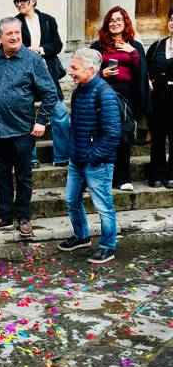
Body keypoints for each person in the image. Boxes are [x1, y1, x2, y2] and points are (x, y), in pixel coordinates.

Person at [0, 17, 57, 236]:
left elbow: (50, 93)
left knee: (23, 175)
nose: (14, 37)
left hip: (23, 130)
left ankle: (23, 217)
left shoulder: (32, 60)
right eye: (9, 34)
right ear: (0, 38)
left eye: (17, 33)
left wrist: (41, 120)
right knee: (1, 174)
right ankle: (4, 215)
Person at [58, 48, 121, 264]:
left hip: (97, 162)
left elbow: (113, 134)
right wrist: (75, 152)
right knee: (71, 200)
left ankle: (107, 246)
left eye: (74, 68)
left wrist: (94, 157)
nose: (70, 72)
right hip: (77, 158)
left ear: (91, 70)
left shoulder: (105, 94)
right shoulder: (79, 91)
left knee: (103, 205)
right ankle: (82, 236)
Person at [90, 5, 150, 191]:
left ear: (125, 23)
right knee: (105, 134)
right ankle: (103, 176)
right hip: (104, 93)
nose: (115, 24)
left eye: (119, 20)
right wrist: (102, 73)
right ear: (107, 24)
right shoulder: (98, 46)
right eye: (111, 21)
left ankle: (123, 176)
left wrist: (132, 53)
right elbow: (89, 70)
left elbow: (142, 73)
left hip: (127, 97)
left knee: (124, 134)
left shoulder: (135, 45)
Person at [14, 0, 70, 167]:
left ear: (33, 0)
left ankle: (62, 156)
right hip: (25, 74)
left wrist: (40, 50)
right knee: (26, 115)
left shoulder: (48, 20)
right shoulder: (15, 23)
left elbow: (57, 45)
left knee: (60, 113)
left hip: (48, 73)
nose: (19, 4)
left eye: (22, 0)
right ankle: (31, 158)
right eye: (16, 1)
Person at [146, 7, 173, 188]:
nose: (172, 23)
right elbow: (146, 70)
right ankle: (156, 174)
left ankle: (171, 174)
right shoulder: (157, 46)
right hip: (158, 97)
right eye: (171, 19)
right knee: (157, 138)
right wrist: (148, 81)